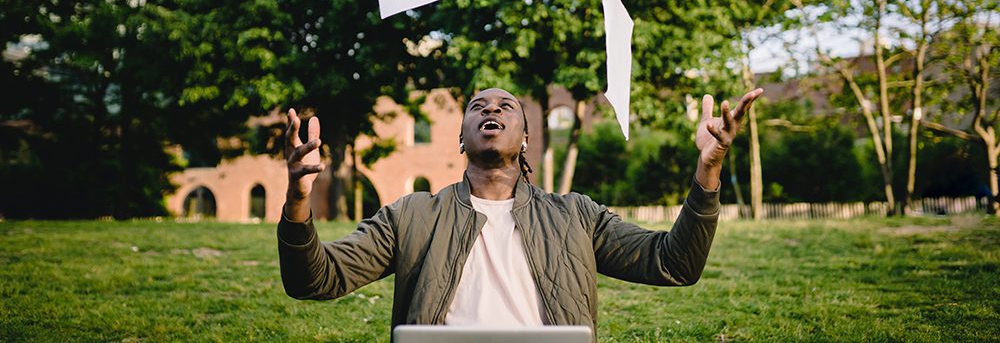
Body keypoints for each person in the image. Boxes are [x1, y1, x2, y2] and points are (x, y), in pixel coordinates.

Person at [278, 87, 763, 339]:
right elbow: (315, 281)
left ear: (526, 138)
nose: (492, 109)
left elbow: (674, 264)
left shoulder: (576, 215)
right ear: (462, 137)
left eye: (507, 106)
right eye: (478, 106)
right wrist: (299, 196)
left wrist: (708, 169)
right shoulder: (412, 214)